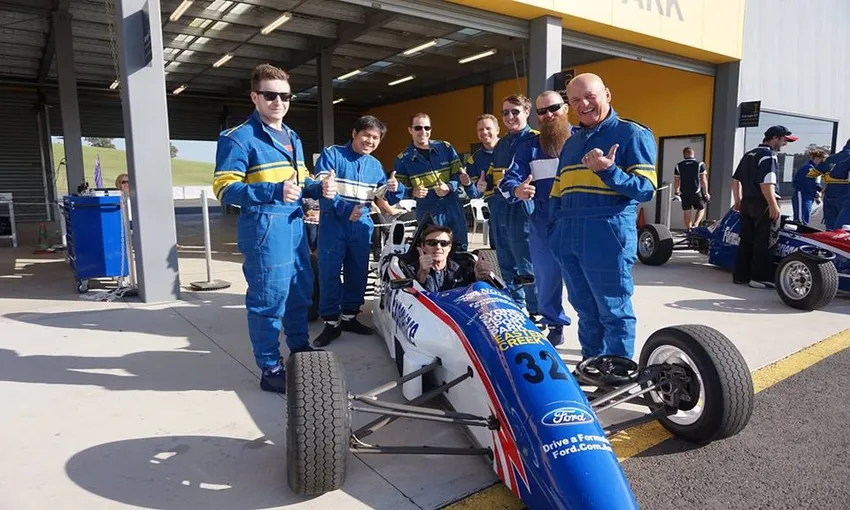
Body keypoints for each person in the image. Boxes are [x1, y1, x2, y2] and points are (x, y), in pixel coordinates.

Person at [212, 63, 331, 393]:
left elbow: (301, 180)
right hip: (265, 228)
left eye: (285, 96)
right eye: (270, 95)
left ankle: (298, 347)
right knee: (268, 300)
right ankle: (270, 367)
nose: (278, 102)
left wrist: (317, 187)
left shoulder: (292, 136)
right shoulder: (239, 139)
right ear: (255, 97)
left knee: (299, 290)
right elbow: (224, 189)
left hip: (294, 225)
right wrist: (272, 191)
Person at [549, 73, 657, 361]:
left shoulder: (631, 134)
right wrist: (554, 230)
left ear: (607, 94)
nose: (583, 104)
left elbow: (646, 189)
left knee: (613, 309)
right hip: (568, 233)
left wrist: (609, 171)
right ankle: (593, 364)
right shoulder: (571, 143)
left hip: (606, 232)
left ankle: (618, 372)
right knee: (584, 309)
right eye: (575, 100)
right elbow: (558, 190)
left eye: (590, 96)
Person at [309, 115, 405, 347]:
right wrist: (344, 209)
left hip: (362, 227)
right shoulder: (332, 155)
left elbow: (382, 197)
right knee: (330, 273)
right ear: (354, 133)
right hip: (334, 224)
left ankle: (350, 316)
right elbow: (325, 189)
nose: (370, 141)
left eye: (375, 138)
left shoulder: (375, 166)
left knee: (358, 272)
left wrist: (396, 188)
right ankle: (332, 322)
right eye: (366, 135)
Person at [500, 90, 573, 346]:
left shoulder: (582, 140)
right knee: (547, 277)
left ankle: (596, 337)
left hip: (579, 221)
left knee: (585, 281)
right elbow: (508, 180)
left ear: (566, 108)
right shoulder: (528, 148)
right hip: (543, 221)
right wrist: (517, 190)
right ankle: (555, 323)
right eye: (542, 111)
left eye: (553, 108)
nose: (549, 115)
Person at [488, 95, 540, 320]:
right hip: (500, 211)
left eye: (515, 111)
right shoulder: (501, 144)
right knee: (505, 263)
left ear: (527, 112)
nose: (510, 117)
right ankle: (513, 308)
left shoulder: (537, 140)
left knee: (527, 266)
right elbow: (496, 179)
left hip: (523, 212)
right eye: (505, 112)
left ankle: (536, 313)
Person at [731, 125, 797, 288]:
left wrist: (738, 200)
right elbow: (766, 183)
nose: (785, 144)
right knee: (766, 241)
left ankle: (740, 276)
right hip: (763, 203)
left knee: (746, 240)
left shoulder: (748, 155)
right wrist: (773, 205)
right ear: (775, 138)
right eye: (784, 140)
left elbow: (735, 180)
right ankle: (759, 278)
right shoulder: (769, 156)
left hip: (747, 202)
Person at [393, 113, 469, 250]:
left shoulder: (445, 148)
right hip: (428, 210)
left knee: (460, 250)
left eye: (427, 128)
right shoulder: (403, 159)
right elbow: (397, 192)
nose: (423, 132)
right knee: (433, 251)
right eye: (418, 128)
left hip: (453, 205)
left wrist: (450, 186)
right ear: (410, 130)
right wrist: (412, 192)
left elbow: (460, 175)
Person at [406, 224, 493, 293]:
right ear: (423, 246)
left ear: (450, 247)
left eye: (444, 243)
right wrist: (422, 273)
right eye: (432, 243)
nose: (438, 247)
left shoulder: (462, 270)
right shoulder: (410, 270)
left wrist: (479, 278)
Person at [814, 139, 850, 230]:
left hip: (830, 195)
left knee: (832, 228)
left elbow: (835, 173)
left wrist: (817, 189)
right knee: (844, 228)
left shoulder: (830, 158)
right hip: (844, 194)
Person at [673, 147, 710, 230]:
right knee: (701, 208)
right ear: (693, 154)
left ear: (684, 155)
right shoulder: (700, 164)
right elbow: (703, 180)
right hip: (696, 191)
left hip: (684, 192)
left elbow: (676, 180)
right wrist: (706, 192)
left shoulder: (678, 165)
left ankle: (689, 229)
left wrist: (676, 192)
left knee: (687, 211)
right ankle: (695, 225)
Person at [792, 147, 828, 225]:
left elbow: (814, 183)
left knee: (805, 216)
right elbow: (807, 183)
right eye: (820, 159)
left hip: (808, 196)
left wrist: (820, 190)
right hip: (802, 194)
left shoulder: (814, 169)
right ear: (813, 158)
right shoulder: (808, 168)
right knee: (801, 219)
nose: (821, 162)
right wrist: (816, 193)